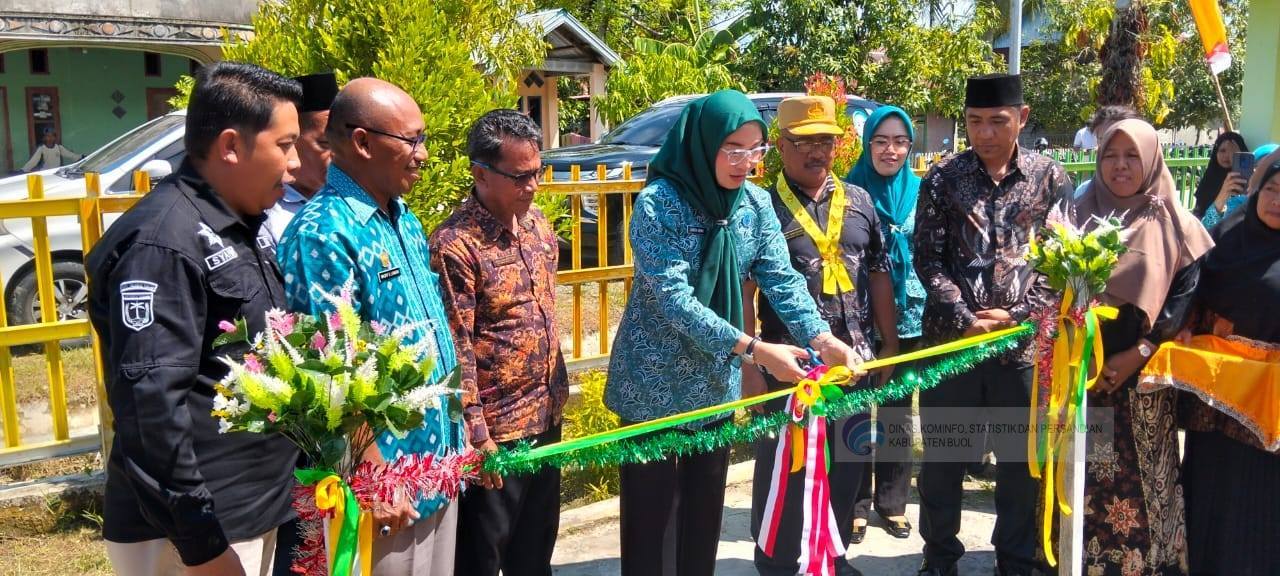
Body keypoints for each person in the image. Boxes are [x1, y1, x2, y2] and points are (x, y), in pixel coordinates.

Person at [605, 89, 865, 576]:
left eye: (755, 150)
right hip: (653, 387)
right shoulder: (660, 204)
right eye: (733, 150)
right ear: (703, 145)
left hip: (714, 387)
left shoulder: (755, 205)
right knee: (651, 526)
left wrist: (821, 337)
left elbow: (781, 277)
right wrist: (754, 350)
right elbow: (673, 300)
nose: (746, 163)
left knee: (702, 520)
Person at [86, 61, 302, 576]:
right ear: (231, 146)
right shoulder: (162, 243)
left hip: (250, 513)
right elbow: (149, 406)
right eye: (285, 144)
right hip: (196, 535)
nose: (295, 164)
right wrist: (201, 545)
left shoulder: (236, 224)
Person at [276, 78, 460, 575]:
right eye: (412, 140)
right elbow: (328, 370)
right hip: (380, 488)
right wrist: (373, 476)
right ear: (361, 142)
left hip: (434, 469)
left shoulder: (403, 218)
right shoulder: (323, 233)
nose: (423, 154)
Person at [913, 74, 1074, 576]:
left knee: (1019, 466)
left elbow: (1062, 262)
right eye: (975, 121)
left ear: (1021, 119)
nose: (984, 133)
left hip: (1022, 351)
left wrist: (1021, 315)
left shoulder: (1051, 179)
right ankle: (939, 559)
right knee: (942, 464)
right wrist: (964, 317)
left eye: (997, 122)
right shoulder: (941, 178)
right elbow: (928, 260)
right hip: (954, 346)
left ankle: (1016, 561)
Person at [744, 95, 896, 576]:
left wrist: (889, 345)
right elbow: (744, 291)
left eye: (825, 142)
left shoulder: (860, 201)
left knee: (848, 466)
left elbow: (879, 272)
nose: (816, 152)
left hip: (854, 366)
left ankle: (831, 556)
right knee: (785, 472)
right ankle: (778, 561)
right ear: (780, 146)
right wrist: (751, 369)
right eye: (803, 142)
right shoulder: (760, 208)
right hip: (790, 373)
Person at [430, 109, 568, 576]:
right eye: (520, 176)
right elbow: (456, 347)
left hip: (546, 417)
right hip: (496, 434)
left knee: (536, 553)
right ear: (480, 173)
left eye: (538, 172)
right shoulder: (456, 245)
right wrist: (476, 434)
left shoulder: (537, 225)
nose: (532, 186)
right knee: (485, 558)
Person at [1075, 119, 1212, 576]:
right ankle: (1078, 561)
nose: (1119, 166)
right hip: (1083, 374)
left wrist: (1140, 352)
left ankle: (1147, 565)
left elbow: (1185, 297)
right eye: (1110, 155)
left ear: (1152, 159)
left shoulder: (1175, 222)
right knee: (1082, 472)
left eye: (1132, 156)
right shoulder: (1077, 212)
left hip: (1145, 382)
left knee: (1142, 476)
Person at [1180, 156, 1280, 576]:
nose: (1278, 201)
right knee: (1210, 494)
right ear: (1258, 190)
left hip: (1268, 410)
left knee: (1258, 503)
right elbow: (1190, 292)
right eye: (1273, 189)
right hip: (1216, 404)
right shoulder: (1225, 238)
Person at [844, 104, 923, 543]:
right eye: (881, 141)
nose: (890, 150)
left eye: (899, 142)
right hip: (858, 319)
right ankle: (853, 504)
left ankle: (892, 503)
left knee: (896, 411)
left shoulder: (922, 190)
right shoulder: (849, 190)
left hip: (910, 314)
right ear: (867, 142)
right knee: (856, 411)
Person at [265, 72, 339, 240]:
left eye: (341, 143)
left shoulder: (351, 199)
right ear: (293, 140)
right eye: (325, 143)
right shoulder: (267, 210)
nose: (337, 154)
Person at [1073, 106, 1144, 199]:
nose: (1120, 164)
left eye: (1132, 154)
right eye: (1106, 141)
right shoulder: (1083, 194)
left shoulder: (1164, 203)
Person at [1201, 143, 1278, 229]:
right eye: (1258, 168)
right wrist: (1222, 196)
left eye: (1272, 170)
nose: (1264, 175)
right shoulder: (1238, 203)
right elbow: (1207, 231)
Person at [1190, 131, 1247, 218]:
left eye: (1232, 152)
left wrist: (1238, 161)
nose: (1227, 155)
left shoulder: (1248, 180)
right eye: (1222, 150)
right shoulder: (1209, 179)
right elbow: (1199, 216)